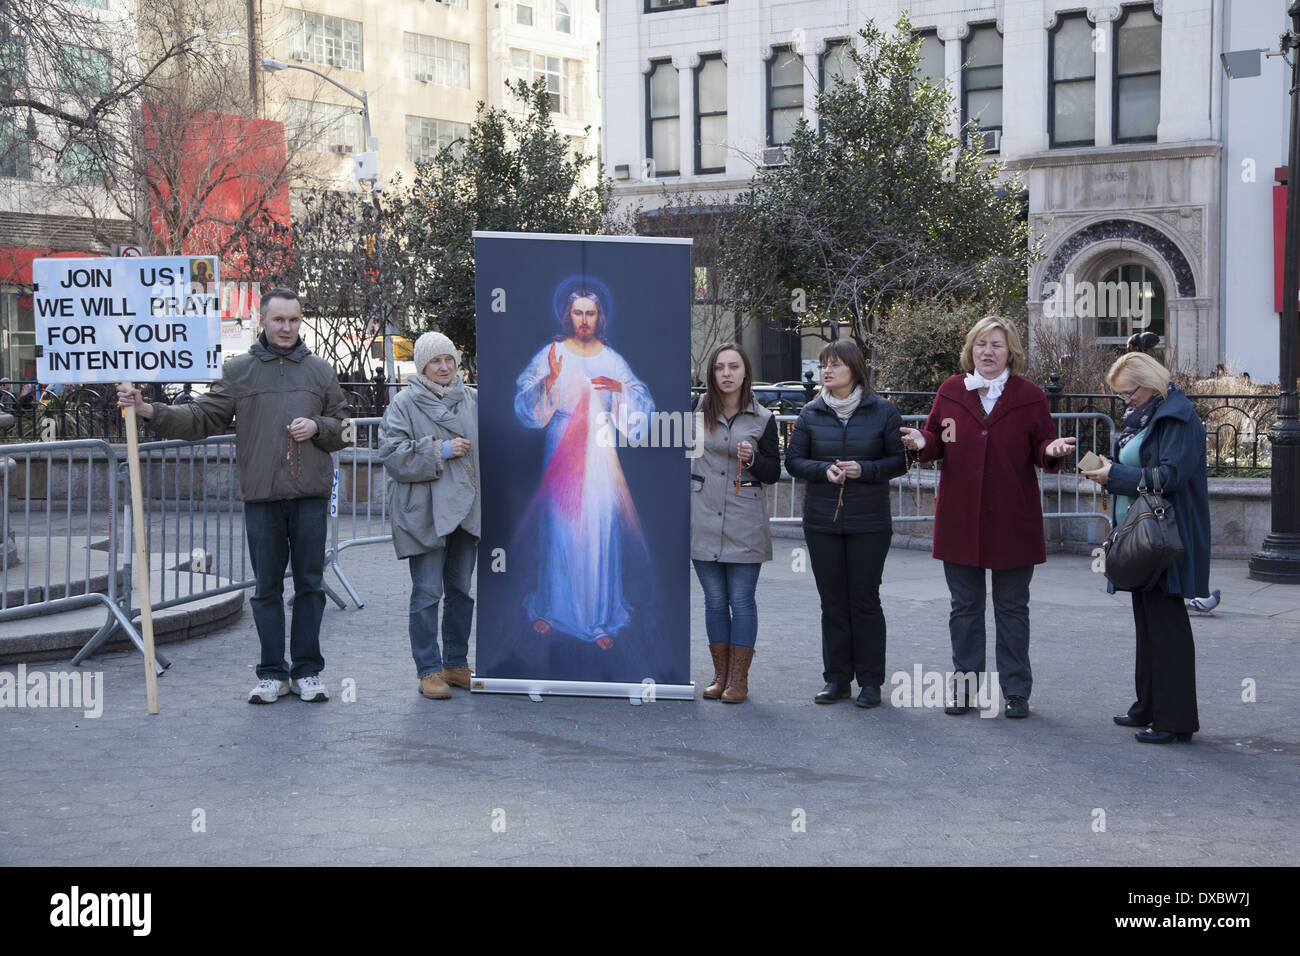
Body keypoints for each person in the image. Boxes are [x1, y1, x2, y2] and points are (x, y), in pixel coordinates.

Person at [117, 288, 348, 704]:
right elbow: (202, 417)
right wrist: (150, 411)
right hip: (261, 497)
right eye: (279, 320)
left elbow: (345, 428)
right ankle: (272, 673)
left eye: (294, 320)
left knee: (311, 584)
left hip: (310, 495)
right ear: (262, 320)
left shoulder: (320, 371)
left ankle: (308, 671)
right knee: (266, 589)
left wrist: (319, 427)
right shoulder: (240, 370)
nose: (286, 328)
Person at [900, 316, 1075, 719]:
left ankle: (1016, 691)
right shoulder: (951, 390)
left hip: (1014, 518)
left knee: (1012, 608)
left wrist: (1051, 451)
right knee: (965, 607)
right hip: (961, 517)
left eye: (996, 344)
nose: (988, 352)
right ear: (971, 350)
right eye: (981, 344)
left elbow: (1042, 442)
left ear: (1010, 350)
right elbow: (935, 439)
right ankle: (965, 689)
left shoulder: (1030, 395)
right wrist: (919, 441)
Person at [513, 288, 655, 649]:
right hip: (561, 449)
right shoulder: (552, 354)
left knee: (598, 529)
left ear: (599, 316)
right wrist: (549, 379)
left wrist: (619, 388)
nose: (584, 320)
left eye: (590, 313)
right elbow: (525, 403)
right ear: (568, 314)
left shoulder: (611, 359)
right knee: (560, 529)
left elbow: (640, 402)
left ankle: (597, 617)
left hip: (600, 455)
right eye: (578, 313)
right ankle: (553, 608)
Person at [1081, 352, 1209, 743]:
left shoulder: (1178, 417)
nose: (1125, 402)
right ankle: (1148, 707)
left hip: (1166, 536)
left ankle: (1175, 720)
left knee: (1166, 627)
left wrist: (1115, 474)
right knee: (1149, 624)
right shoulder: (1151, 414)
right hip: (1146, 533)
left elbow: (1170, 475)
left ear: (1149, 383)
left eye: (1129, 393)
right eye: (1120, 396)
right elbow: (1147, 467)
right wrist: (1110, 468)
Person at [785, 340, 906, 708]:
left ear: (854, 369)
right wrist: (824, 470)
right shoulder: (810, 413)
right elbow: (793, 461)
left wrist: (863, 470)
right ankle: (836, 679)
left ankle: (870, 682)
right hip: (822, 521)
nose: (827, 371)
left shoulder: (883, 411)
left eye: (835, 365)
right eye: (824, 365)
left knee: (864, 601)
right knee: (833, 602)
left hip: (869, 522)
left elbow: (899, 462)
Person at [378, 332, 480, 700]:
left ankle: (456, 663)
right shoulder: (404, 403)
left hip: (466, 511)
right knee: (426, 593)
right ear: (422, 365)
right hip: (425, 512)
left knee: (460, 592)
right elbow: (391, 454)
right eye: (435, 360)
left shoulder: (473, 400)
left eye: (448, 359)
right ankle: (428, 670)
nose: (443, 367)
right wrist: (441, 449)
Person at [690, 343, 780, 703]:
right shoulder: (695, 411)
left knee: (742, 600)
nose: (726, 373)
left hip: (745, 518)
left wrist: (755, 458)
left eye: (734, 367)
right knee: (714, 600)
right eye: (720, 368)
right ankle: (719, 675)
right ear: (712, 374)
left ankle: (739, 680)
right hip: (702, 514)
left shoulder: (763, 418)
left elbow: (773, 471)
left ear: (745, 373)